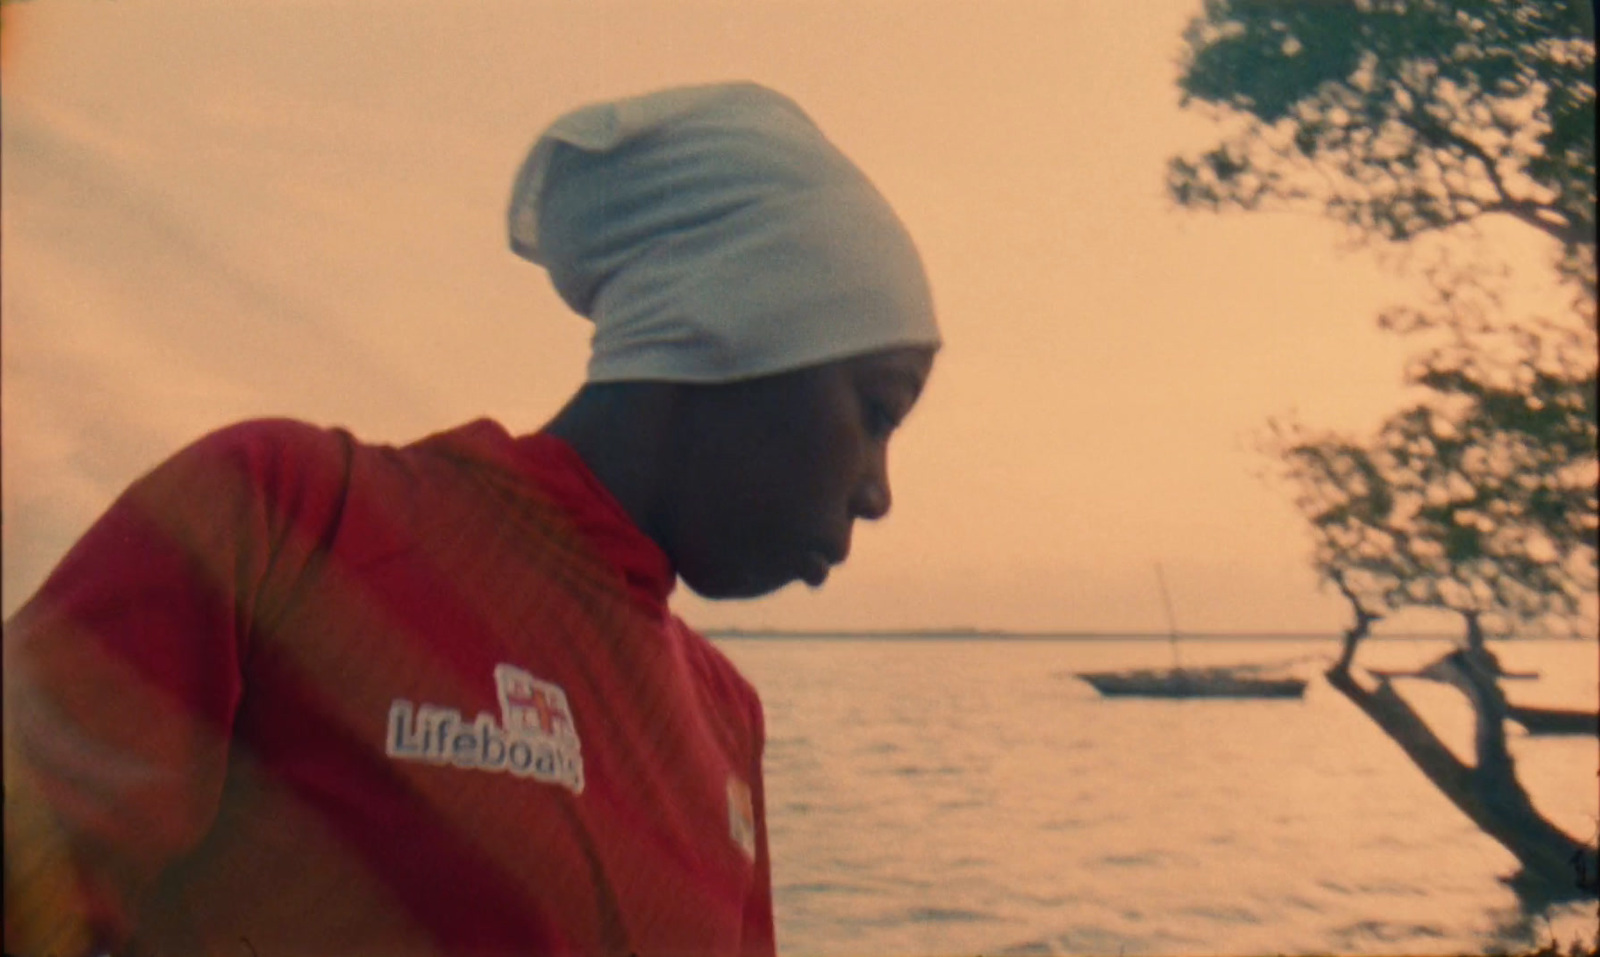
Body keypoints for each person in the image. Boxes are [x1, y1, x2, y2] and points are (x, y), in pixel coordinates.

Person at [3, 82, 939, 956]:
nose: (878, 491)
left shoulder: (726, 719)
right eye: (878, 411)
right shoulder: (284, 517)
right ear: (736, 334)